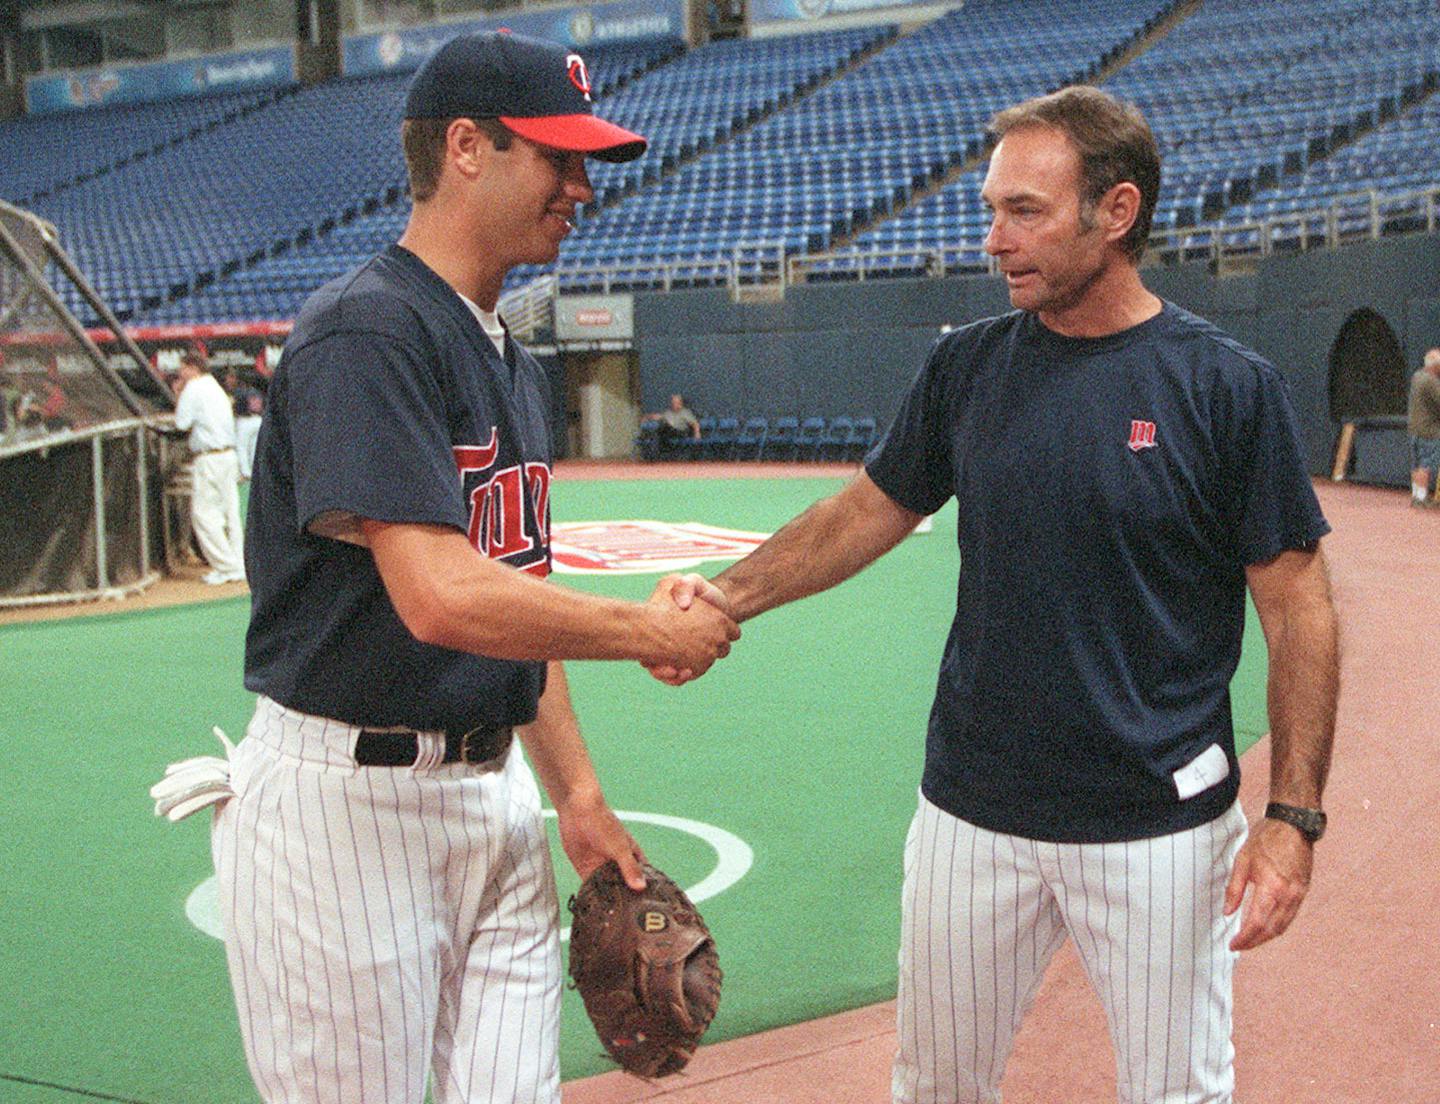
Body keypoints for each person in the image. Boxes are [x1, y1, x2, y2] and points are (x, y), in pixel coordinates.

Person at [659, 86, 1339, 1104]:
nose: (993, 238)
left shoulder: (1223, 388)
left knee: (1178, 1093)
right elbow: (861, 515)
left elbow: (1301, 612)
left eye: (1025, 210)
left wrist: (1293, 816)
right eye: (991, 209)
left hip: (1158, 825)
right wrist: (722, 599)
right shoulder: (967, 369)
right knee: (935, 1086)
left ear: (1116, 213)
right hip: (971, 818)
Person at [216, 30, 738, 1104]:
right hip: (346, 814)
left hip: (490, 802)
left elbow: (519, 604)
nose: (583, 186)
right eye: (560, 157)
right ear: (466, 148)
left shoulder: (506, 352)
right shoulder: (368, 333)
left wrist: (579, 797)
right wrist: (648, 632)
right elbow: (443, 595)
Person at [172, 349, 246, 585]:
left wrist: (178, 394)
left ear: (191, 367)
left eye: (182, 367)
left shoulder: (193, 388)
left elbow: (181, 423)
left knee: (203, 514)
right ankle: (239, 565)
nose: (180, 372)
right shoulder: (215, 386)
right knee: (230, 513)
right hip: (228, 455)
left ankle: (226, 567)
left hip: (209, 458)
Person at [1406, 347, 1440, 507]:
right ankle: (1421, 498)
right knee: (1426, 465)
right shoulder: (1431, 381)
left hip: (1414, 428)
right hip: (1429, 430)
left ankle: (1416, 495)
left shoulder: (1417, 376)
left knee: (1416, 464)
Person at [224, 368, 264, 480]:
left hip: (245, 421)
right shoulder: (257, 392)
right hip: (258, 420)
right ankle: (256, 473)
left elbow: (234, 408)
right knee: (254, 448)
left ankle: (245, 473)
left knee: (241, 448)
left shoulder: (238, 392)